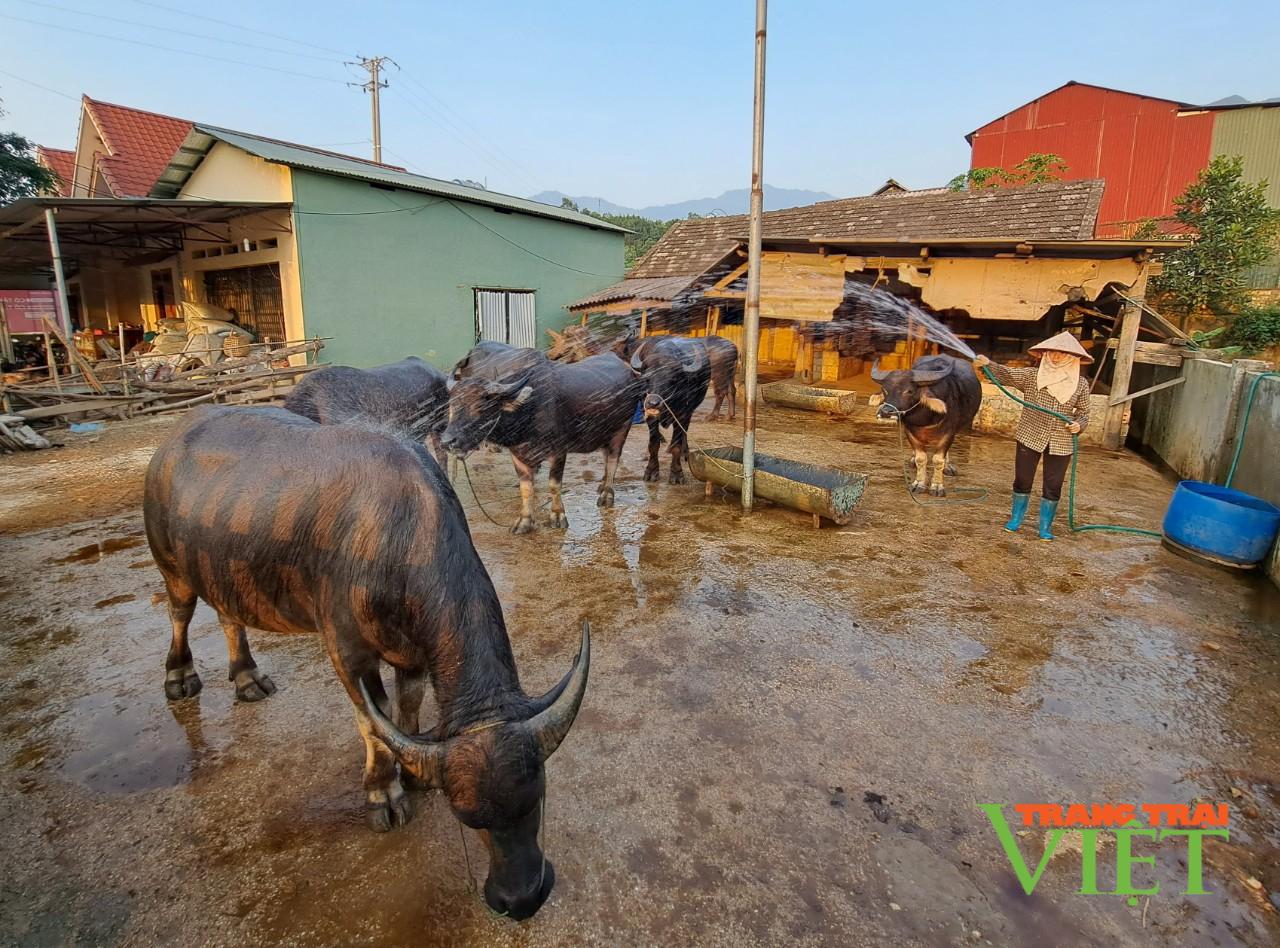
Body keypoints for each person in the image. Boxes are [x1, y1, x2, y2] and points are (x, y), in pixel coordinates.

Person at [973, 331, 1093, 541]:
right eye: (1052, 352)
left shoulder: (1080, 384)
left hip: (1061, 440)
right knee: (1022, 479)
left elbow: (1084, 413)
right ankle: (1016, 519)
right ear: (1045, 354)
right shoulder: (1032, 376)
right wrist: (987, 364)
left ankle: (1045, 526)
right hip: (1030, 434)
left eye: (1062, 354)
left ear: (1072, 357)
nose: (1056, 357)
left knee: (1053, 484)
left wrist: (1078, 425)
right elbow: (1006, 374)